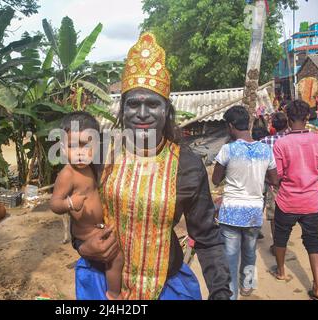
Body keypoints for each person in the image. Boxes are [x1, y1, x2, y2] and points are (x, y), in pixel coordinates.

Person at [71, 32, 232, 300]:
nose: (143, 113)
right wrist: (82, 246)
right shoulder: (101, 155)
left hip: (166, 287)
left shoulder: (187, 165)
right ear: (122, 109)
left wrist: (221, 292)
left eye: (153, 104)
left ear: (166, 110)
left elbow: (207, 237)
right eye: (134, 104)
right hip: (101, 283)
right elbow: (78, 212)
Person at [50, 111, 124, 300]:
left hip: (98, 226)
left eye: (86, 146)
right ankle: (114, 295)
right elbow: (54, 203)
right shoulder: (67, 174)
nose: (80, 153)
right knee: (116, 258)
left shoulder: (92, 167)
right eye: (73, 146)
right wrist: (69, 203)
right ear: (64, 149)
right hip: (86, 234)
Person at [212, 106, 278, 300]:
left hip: (231, 211)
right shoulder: (265, 149)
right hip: (253, 211)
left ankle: (231, 295)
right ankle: (247, 286)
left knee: (230, 257)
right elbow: (274, 180)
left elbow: (216, 179)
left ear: (231, 126)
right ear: (247, 124)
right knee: (249, 252)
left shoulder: (228, 149)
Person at [271, 100, 318, 300]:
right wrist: (315, 171)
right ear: (307, 118)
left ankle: (281, 271)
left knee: (280, 236)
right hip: (311, 201)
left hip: (287, 200)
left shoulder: (281, 143)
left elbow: (276, 176)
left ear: (287, 119)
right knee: (313, 241)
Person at [261, 112, 288, 255]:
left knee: (274, 215)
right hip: (291, 182)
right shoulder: (292, 139)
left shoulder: (265, 141)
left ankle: (278, 244)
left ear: (272, 126)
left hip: (272, 183)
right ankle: (284, 242)